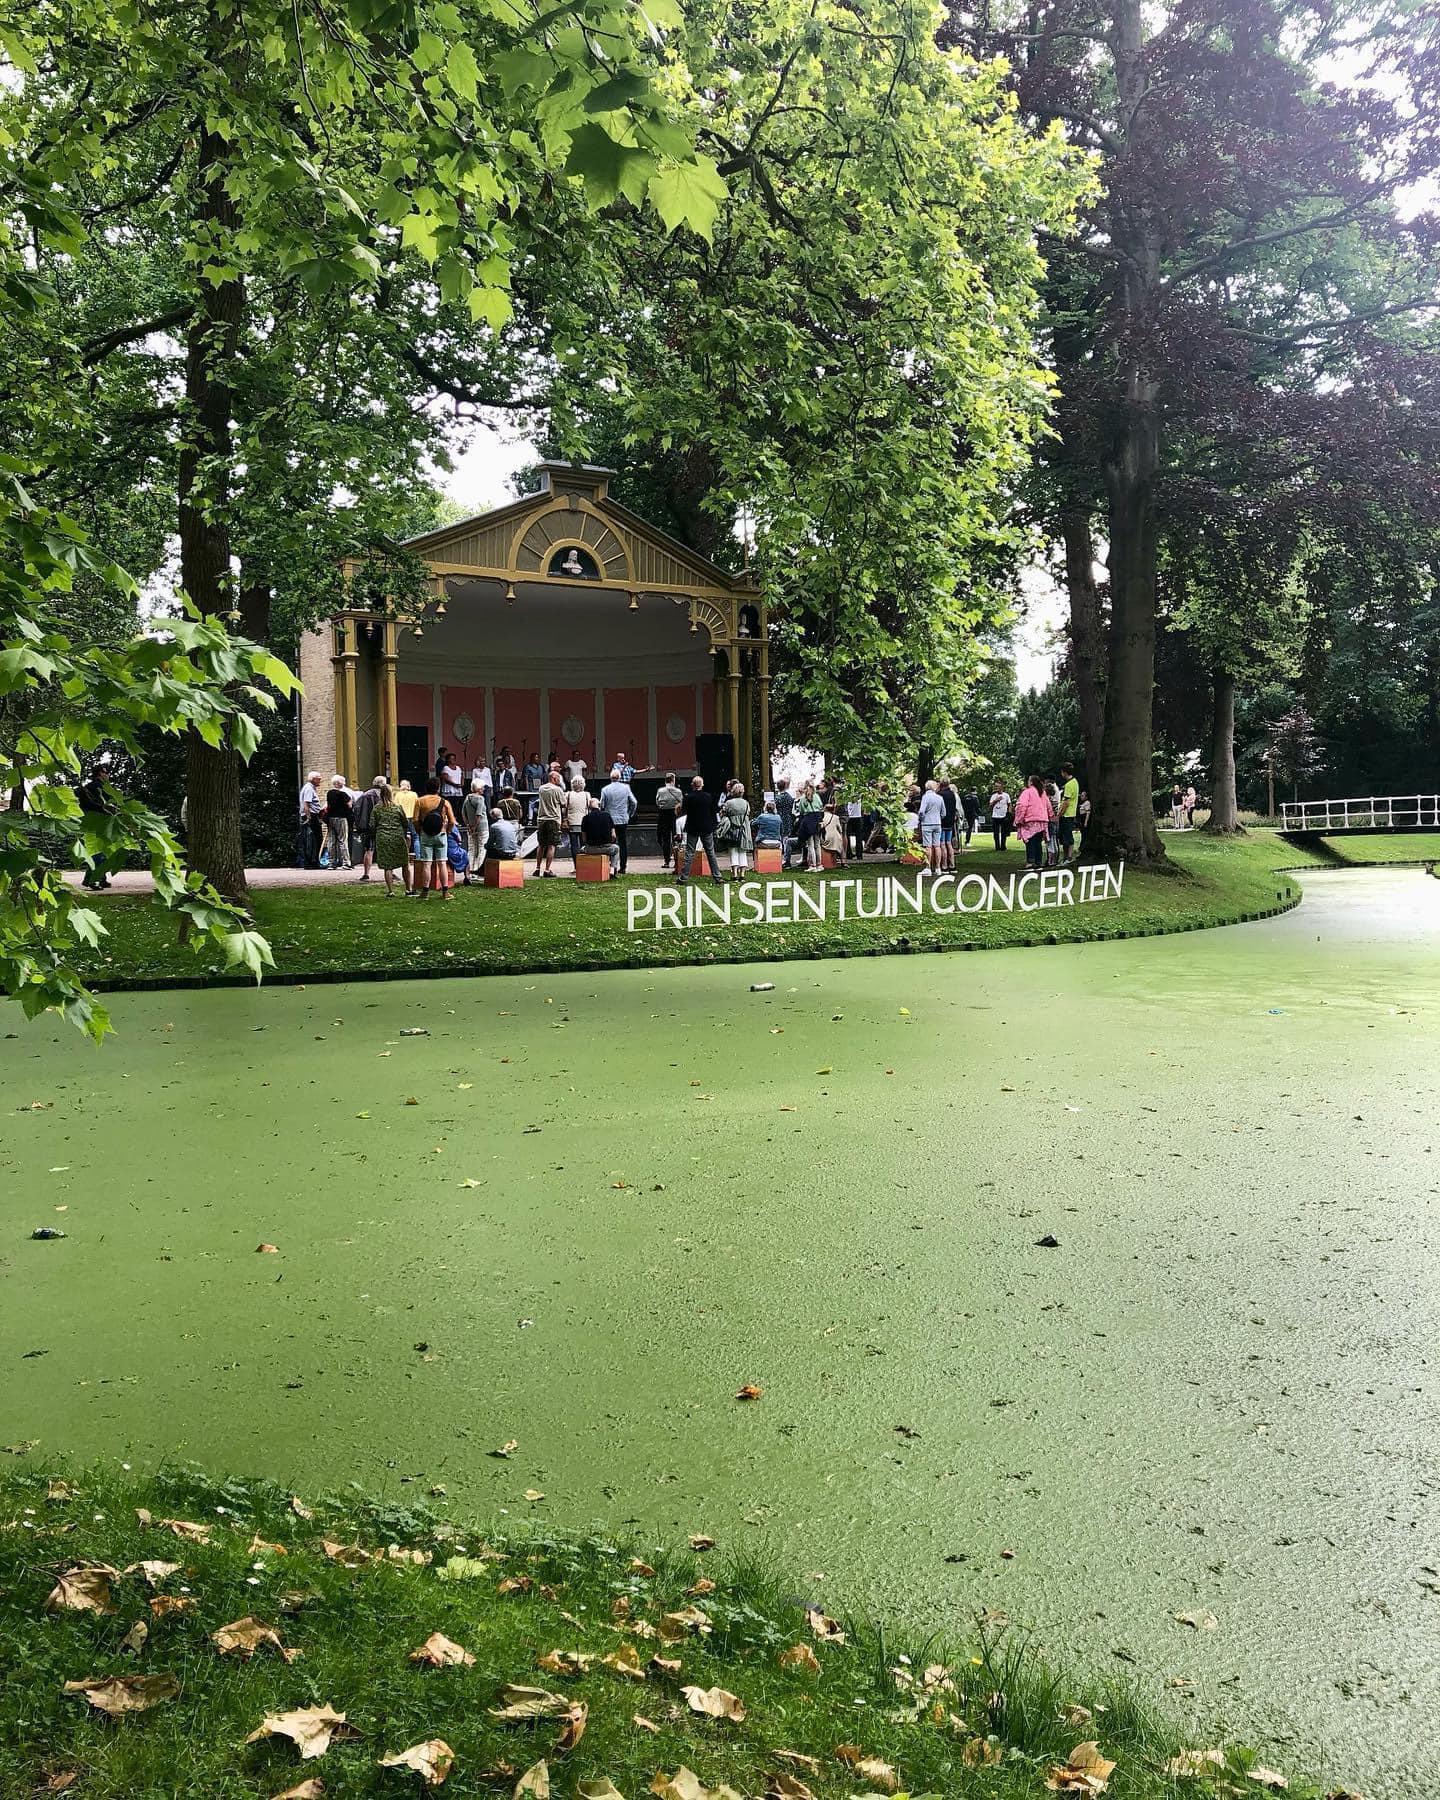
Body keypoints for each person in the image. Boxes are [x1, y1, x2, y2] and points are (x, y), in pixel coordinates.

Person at [78, 754, 117, 889]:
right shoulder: (97, 788)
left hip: (93, 821)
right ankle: (90, 879)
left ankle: (101, 878)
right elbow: (102, 805)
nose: (108, 775)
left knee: (102, 851)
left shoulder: (89, 788)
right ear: (100, 774)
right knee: (98, 852)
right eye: (106, 773)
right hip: (98, 822)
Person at [412, 778, 455, 897]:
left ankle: (425, 891)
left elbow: (415, 820)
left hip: (426, 834)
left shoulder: (420, 801)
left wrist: (419, 831)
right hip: (441, 834)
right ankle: (445, 891)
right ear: (438, 788)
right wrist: (448, 831)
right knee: (442, 863)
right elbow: (452, 821)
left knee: (427, 863)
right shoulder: (444, 802)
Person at [678, 775, 721, 882]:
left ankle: (684, 877)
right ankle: (717, 876)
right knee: (710, 852)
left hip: (692, 827)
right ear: (702, 785)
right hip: (706, 827)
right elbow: (713, 812)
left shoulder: (688, 797)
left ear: (692, 785)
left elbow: (684, 811)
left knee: (689, 853)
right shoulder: (708, 797)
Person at [371, 782, 411, 896]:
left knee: (387, 866)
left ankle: (391, 891)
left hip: (383, 837)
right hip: (397, 837)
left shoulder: (377, 808)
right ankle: (408, 889)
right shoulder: (397, 807)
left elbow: (372, 824)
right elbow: (405, 822)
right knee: (405, 863)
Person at [600, 767, 638, 873]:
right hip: (622, 819)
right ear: (620, 777)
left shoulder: (605, 789)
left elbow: (602, 804)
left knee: (609, 843)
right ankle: (623, 867)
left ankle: (611, 866)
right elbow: (634, 802)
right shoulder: (626, 788)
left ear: (610, 777)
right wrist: (630, 814)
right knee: (623, 843)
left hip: (609, 820)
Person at [1013, 774, 1054, 870]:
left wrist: (1019, 819)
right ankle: (1038, 862)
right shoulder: (1042, 793)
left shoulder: (1027, 792)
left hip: (1030, 820)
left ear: (1030, 782)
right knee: (1038, 842)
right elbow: (1049, 807)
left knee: (1030, 841)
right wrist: (1051, 816)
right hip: (1042, 821)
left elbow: (1021, 806)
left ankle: (1031, 862)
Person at [717, 781, 753, 879]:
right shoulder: (746, 803)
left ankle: (735, 874)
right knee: (743, 851)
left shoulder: (729, 803)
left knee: (733, 851)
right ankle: (742, 874)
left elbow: (723, 814)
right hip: (744, 828)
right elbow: (748, 813)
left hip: (732, 828)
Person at [534, 766, 565, 877]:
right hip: (553, 819)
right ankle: (547, 870)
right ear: (554, 778)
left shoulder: (541, 788)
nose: (559, 780)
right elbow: (563, 803)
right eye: (558, 778)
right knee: (552, 845)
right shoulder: (558, 790)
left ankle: (537, 868)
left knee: (541, 845)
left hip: (541, 819)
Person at [352, 776, 383, 881]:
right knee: (385, 850)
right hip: (382, 826)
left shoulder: (365, 795)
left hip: (368, 826)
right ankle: (390, 872)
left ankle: (366, 873)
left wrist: (359, 824)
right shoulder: (384, 795)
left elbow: (356, 809)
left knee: (369, 850)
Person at [581, 795, 620, 875]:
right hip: (606, 848)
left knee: (582, 849)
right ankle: (612, 868)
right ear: (599, 805)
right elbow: (613, 835)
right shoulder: (607, 815)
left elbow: (584, 839)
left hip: (591, 849)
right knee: (616, 849)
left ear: (589, 808)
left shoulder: (585, 818)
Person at [461, 780, 489, 883]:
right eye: (483, 787)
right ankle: (478, 870)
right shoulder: (480, 799)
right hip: (481, 827)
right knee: (482, 847)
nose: (484, 789)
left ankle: (470, 870)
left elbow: (463, 813)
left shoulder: (467, 797)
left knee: (472, 848)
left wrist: (468, 825)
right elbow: (479, 814)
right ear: (479, 788)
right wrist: (475, 826)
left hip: (470, 827)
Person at [916, 777, 946, 874]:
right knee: (937, 846)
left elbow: (921, 811)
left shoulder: (925, 797)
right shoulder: (939, 798)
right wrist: (938, 817)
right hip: (937, 823)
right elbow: (944, 813)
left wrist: (921, 819)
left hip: (927, 823)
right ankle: (938, 868)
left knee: (928, 846)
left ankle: (928, 868)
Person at [297, 768, 324, 869]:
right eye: (318, 779)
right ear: (313, 779)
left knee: (313, 839)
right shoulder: (309, 788)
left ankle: (312, 861)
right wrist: (308, 817)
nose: (320, 781)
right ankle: (312, 862)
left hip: (312, 815)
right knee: (313, 839)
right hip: (311, 816)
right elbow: (306, 803)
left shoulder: (310, 788)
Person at [792, 779, 823, 870]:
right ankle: (819, 864)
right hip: (817, 818)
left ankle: (812, 865)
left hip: (808, 819)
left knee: (810, 844)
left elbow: (801, 810)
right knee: (817, 844)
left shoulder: (803, 799)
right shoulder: (817, 796)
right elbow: (821, 806)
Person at [324, 776, 353, 869]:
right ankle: (346, 863)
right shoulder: (343, 794)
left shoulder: (329, 793)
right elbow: (349, 805)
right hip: (341, 818)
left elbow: (327, 806)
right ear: (340, 783)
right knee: (343, 840)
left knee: (331, 841)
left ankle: (331, 863)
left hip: (330, 818)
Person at [655, 771, 683, 867]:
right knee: (676, 837)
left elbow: (657, 802)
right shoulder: (678, 792)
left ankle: (666, 861)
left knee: (665, 838)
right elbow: (681, 803)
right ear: (673, 780)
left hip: (663, 815)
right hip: (674, 815)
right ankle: (676, 861)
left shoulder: (660, 791)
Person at [1056, 763, 1081, 864]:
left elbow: (1066, 802)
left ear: (1064, 772)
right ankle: (1066, 857)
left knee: (1067, 837)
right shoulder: (1075, 782)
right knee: (1065, 836)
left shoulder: (1069, 785)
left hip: (1067, 814)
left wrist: (1059, 815)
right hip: (1070, 814)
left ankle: (1069, 857)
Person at [774, 777, 797, 866]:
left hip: (780, 819)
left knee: (781, 839)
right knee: (786, 839)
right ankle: (787, 858)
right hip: (788, 819)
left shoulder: (778, 798)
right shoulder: (789, 797)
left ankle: (784, 859)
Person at [938, 778, 958, 871]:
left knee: (942, 843)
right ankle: (952, 864)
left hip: (942, 821)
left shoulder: (940, 795)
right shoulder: (952, 794)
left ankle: (944, 865)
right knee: (948, 843)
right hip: (950, 821)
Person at [521, 754, 545, 822]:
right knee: (531, 802)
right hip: (531, 787)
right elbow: (525, 777)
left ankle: (539, 817)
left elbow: (543, 777)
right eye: (536, 757)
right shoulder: (528, 767)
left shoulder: (541, 767)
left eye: (538, 757)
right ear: (532, 758)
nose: (537, 759)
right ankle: (530, 818)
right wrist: (527, 788)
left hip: (539, 786)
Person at [989, 781, 1012, 852]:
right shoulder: (993, 796)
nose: (996, 788)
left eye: (997, 786)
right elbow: (990, 807)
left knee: (1003, 833)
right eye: (995, 786)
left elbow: (1009, 804)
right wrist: (995, 800)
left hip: (1003, 816)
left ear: (1001, 787)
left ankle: (1003, 846)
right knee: (996, 833)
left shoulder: (1006, 795)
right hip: (995, 816)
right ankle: (997, 847)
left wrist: (1009, 812)